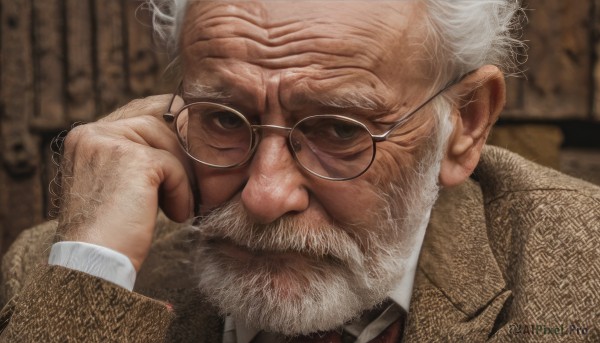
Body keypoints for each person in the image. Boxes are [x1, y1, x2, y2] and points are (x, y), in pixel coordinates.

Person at [0, 0, 598, 342]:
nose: (265, 195)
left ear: (465, 122)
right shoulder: (65, 269)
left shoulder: (583, 276)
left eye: (340, 130)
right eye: (226, 118)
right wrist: (92, 271)